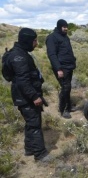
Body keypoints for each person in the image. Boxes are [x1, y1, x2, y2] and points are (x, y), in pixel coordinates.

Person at [8, 28, 51, 162]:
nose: (36, 43)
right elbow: (23, 81)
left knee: (30, 123)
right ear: (27, 40)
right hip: (26, 98)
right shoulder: (19, 57)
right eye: (34, 40)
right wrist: (34, 97)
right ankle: (40, 154)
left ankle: (29, 149)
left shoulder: (20, 53)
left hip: (24, 96)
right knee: (35, 125)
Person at [46, 19, 76, 118]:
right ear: (59, 27)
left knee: (68, 88)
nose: (66, 28)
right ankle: (63, 110)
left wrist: (73, 60)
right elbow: (52, 55)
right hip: (61, 68)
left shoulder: (65, 37)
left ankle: (68, 106)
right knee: (65, 88)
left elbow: (68, 51)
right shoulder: (52, 38)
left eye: (66, 26)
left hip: (69, 66)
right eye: (64, 27)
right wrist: (58, 69)